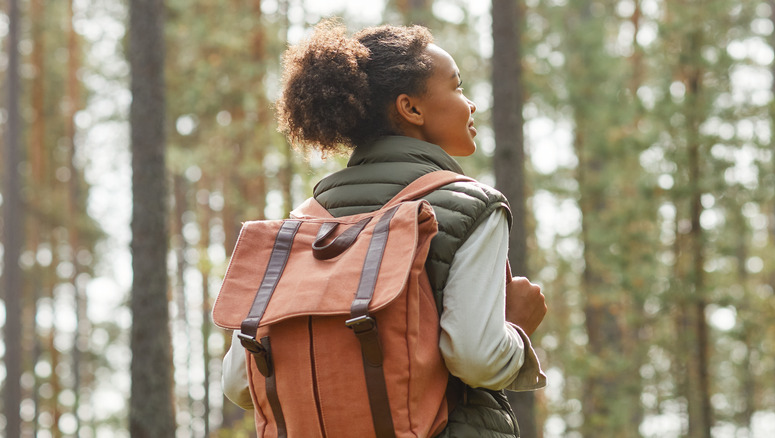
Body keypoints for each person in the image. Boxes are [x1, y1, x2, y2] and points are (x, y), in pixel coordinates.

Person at [222, 19, 547, 437]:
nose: (471, 104)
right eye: (458, 86)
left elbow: (238, 381)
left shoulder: (300, 225)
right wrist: (515, 329)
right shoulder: (470, 205)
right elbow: (477, 358)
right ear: (410, 108)